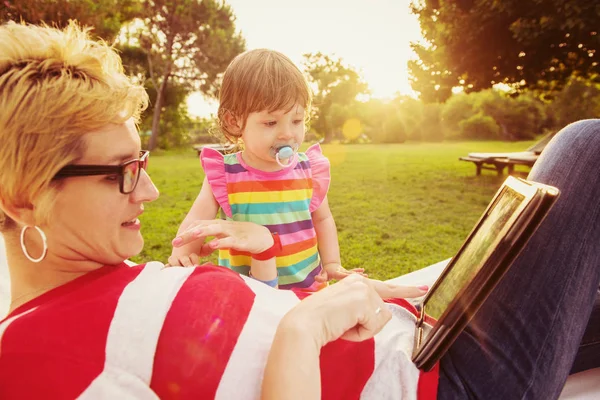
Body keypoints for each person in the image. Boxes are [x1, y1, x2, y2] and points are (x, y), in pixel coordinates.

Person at [0, 22, 598, 400]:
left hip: (418, 341)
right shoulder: (29, 363)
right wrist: (303, 329)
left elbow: (235, 345)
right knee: (583, 148)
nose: (151, 192)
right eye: (123, 171)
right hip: (439, 385)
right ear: (22, 197)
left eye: (144, 162)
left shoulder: (111, 273)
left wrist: (267, 267)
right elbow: (277, 340)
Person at [169, 49, 365, 291]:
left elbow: (322, 219)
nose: (287, 134)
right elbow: (198, 221)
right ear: (235, 121)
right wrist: (183, 250)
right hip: (248, 295)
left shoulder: (308, 170)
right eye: (271, 123)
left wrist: (332, 262)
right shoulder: (225, 175)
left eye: (296, 121)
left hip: (306, 290)